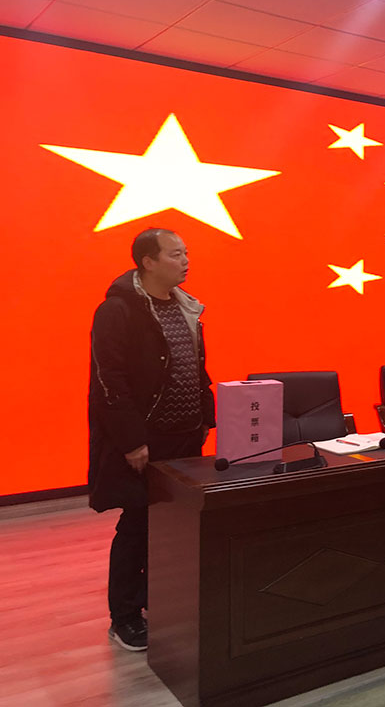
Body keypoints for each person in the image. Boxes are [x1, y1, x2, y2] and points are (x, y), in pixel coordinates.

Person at [88, 228, 215, 652]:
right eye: (176, 254)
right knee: (138, 525)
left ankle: (156, 601)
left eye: (186, 253)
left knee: (175, 526)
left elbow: (195, 366)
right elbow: (110, 381)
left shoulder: (184, 305)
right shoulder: (117, 310)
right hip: (146, 442)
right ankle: (123, 617)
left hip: (186, 437)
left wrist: (206, 418)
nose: (186, 261)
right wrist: (131, 441)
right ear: (148, 261)